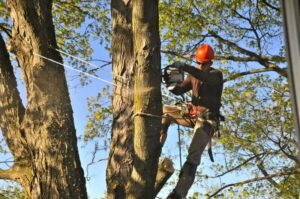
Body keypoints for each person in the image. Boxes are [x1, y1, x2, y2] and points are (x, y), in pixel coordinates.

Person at [160, 44, 223, 199]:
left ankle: (178, 194)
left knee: (193, 156)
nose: (200, 66)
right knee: (164, 111)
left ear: (210, 63)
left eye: (203, 63)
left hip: (207, 121)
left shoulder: (216, 75)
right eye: (199, 63)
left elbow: (205, 77)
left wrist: (185, 66)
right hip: (192, 115)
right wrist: (170, 83)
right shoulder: (195, 75)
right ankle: (156, 147)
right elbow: (179, 89)